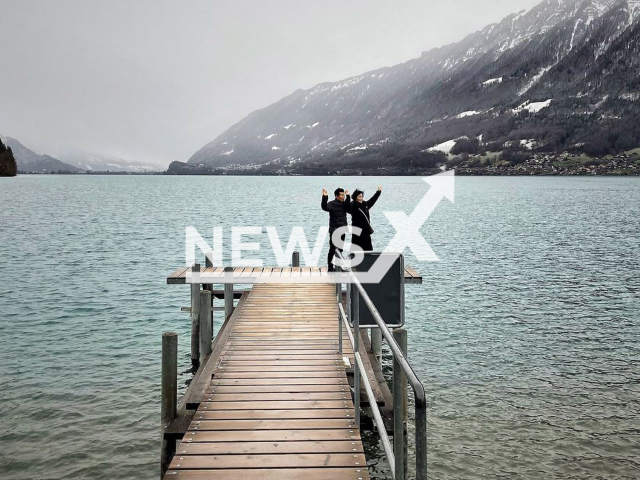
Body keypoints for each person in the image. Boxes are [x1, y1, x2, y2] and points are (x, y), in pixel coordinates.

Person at [321, 187, 351, 272]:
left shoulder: (344, 204)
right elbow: (324, 207)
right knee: (332, 249)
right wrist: (324, 197)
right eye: (342, 195)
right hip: (334, 230)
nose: (343, 197)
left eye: (343, 195)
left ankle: (339, 266)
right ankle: (330, 267)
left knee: (340, 250)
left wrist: (348, 196)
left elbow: (348, 205)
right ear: (337, 196)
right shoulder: (332, 204)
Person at [350, 186, 382, 251]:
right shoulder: (353, 206)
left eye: (361, 196)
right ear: (355, 197)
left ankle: (369, 261)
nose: (361, 198)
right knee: (356, 251)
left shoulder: (365, 205)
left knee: (368, 251)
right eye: (359, 196)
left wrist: (378, 192)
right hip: (357, 232)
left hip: (366, 232)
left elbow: (373, 200)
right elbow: (346, 206)